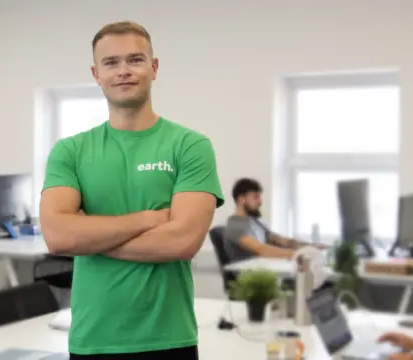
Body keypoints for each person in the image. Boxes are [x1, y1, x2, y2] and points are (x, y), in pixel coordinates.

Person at [39, 21, 223, 360]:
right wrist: (147, 219)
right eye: (111, 63)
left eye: (135, 60)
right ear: (96, 73)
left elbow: (182, 241)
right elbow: (58, 237)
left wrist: (90, 237)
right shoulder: (70, 151)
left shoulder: (190, 146)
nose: (123, 71)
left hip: (169, 339)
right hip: (93, 339)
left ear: (154, 68)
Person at [223, 178, 327, 262]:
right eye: (256, 197)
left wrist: (312, 247)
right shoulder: (235, 226)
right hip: (249, 279)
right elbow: (262, 250)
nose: (260, 201)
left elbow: (284, 242)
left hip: (266, 271)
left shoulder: (255, 222)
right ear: (241, 199)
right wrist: (302, 254)